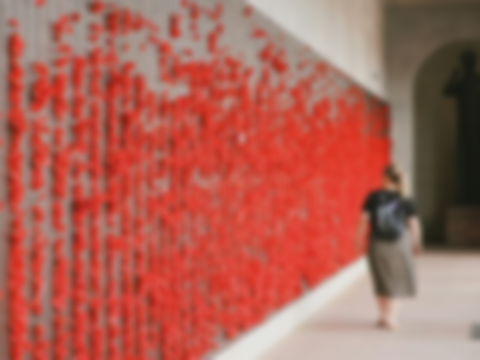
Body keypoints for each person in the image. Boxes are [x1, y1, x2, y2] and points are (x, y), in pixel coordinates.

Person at [356, 164, 423, 330]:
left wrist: (358, 239)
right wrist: (416, 242)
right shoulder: (405, 199)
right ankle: (391, 318)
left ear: (384, 177)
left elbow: (364, 220)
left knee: (381, 279)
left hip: (377, 242)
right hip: (399, 244)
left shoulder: (373, 197)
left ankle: (383, 316)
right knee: (395, 280)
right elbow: (414, 224)